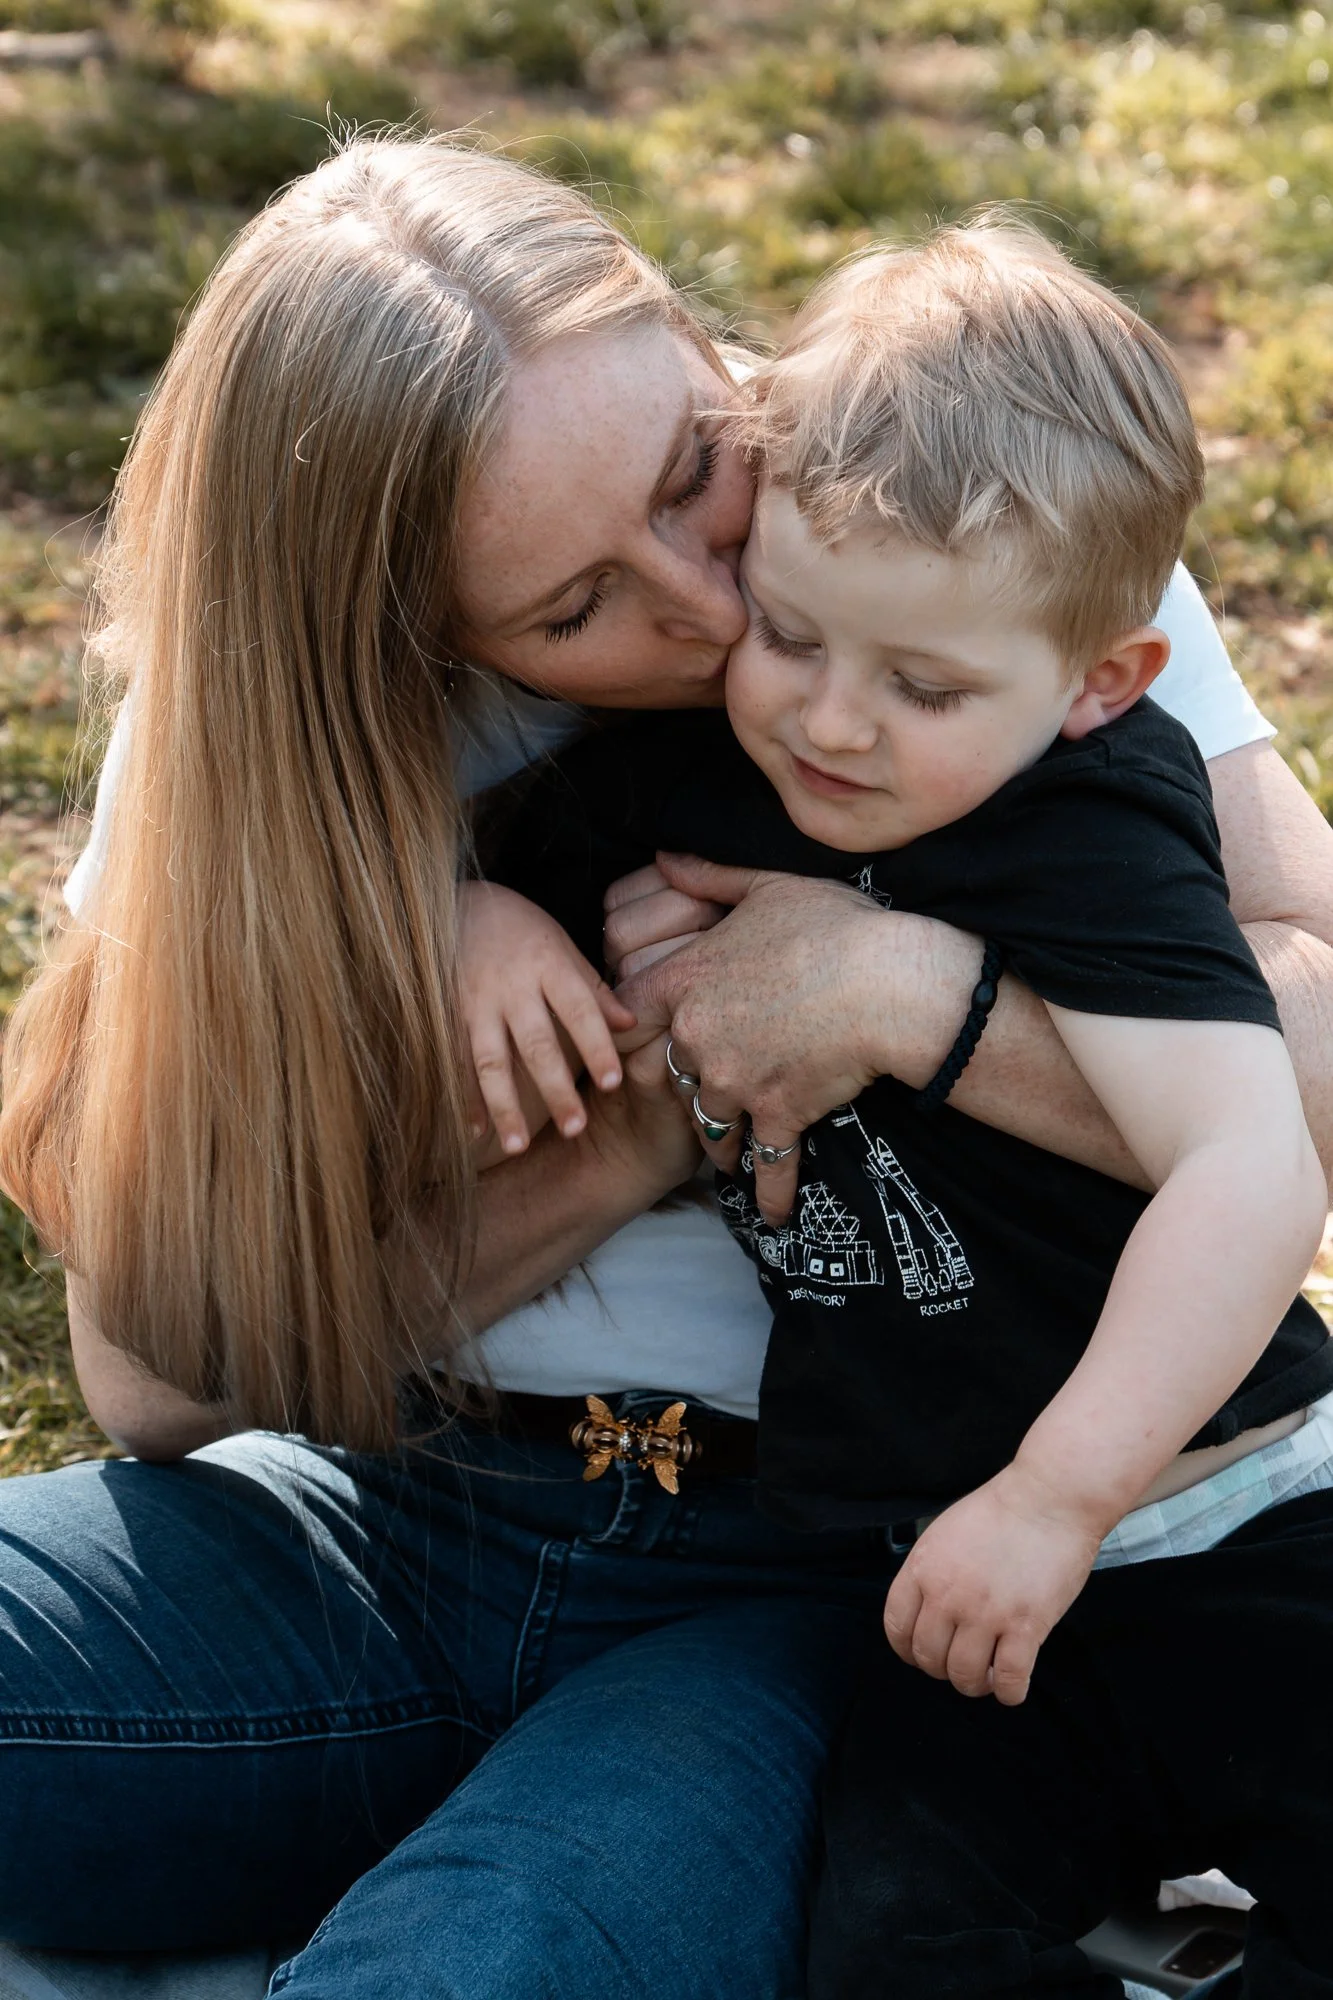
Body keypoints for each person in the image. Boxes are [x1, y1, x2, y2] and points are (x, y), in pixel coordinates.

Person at [0, 138, 1328, 2000]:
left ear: (703, 341)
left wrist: (903, 995)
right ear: (410, 640)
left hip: (784, 1574)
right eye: (569, 614)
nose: (716, 618)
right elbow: (149, 1374)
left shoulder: (971, 515)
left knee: (470, 1964)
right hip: (382, 1514)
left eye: (700, 469)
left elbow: (1310, 1061)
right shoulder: (271, 742)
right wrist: (454, 944)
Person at [473, 221, 1333, 1994]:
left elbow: (1248, 1172)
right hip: (946, 1589)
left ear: (1100, 680)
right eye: (789, 630)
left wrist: (1057, 1497)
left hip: (1221, 1521)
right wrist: (459, 917)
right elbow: (443, 849)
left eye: (925, 688)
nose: (832, 726)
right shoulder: (719, 753)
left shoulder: (1088, 819)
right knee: (890, 1951)